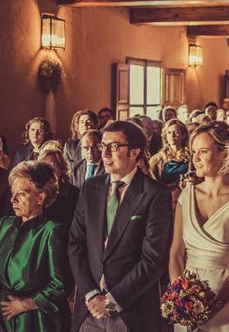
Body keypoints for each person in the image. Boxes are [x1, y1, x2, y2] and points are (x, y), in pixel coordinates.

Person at [68, 120, 173, 332]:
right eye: (102, 146)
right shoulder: (90, 188)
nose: (105, 153)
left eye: (114, 146)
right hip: (89, 309)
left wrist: (111, 301)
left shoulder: (155, 194)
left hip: (131, 311)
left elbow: (153, 260)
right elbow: (75, 244)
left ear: (134, 152)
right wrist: (90, 293)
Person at [169, 121, 229, 332]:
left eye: (203, 151)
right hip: (188, 304)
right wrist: (180, 297)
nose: (195, 159)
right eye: (193, 152)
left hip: (228, 301)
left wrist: (213, 306)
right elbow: (176, 253)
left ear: (224, 154)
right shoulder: (187, 195)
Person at [0, 161, 71, 332]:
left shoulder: (53, 230)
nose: (13, 199)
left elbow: (61, 285)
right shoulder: (5, 224)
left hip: (38, 320)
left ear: (40, 197)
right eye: (13, 193)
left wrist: (26, 305)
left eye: (21, 194)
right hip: (2, 318)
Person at [149, 119, 190, 209]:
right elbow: (152, 184)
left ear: (183, 135)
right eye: (169, 133)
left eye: (176, 132)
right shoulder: (157, 159)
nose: (172, 136)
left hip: (187, 197)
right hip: (165, 200)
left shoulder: (191, 157)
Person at [39, 141, 80, 227]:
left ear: (62, 168)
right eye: (44, 165)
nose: (49, 169)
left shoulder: (73, 192)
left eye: (53, 164)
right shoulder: (36, 191)